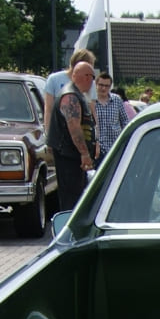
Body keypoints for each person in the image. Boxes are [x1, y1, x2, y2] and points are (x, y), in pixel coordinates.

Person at [51, 61, 98, 211]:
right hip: (69, 157)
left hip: (73, 156)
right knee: (72, 200)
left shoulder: (77, 95)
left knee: (78, 197)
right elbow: (74, 127)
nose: (92, 82)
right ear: (86, 77)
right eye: (92, 77)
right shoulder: (70, 96)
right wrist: (84, 153)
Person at [44, 48, 96, 138]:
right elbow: (49, 109)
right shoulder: (54, 79)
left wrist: (96, 138)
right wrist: (49, 135)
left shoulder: (90, 83)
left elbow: (92, 110)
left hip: (81, 133)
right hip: (59, 132)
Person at [92, 71, 131, 164]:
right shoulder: (91, 102)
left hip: (114, 146)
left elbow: (125, 120)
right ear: (96, 85)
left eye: (107, 86)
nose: (103, 88)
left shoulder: (117, 100)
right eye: (101, 85)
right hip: (98, 148)